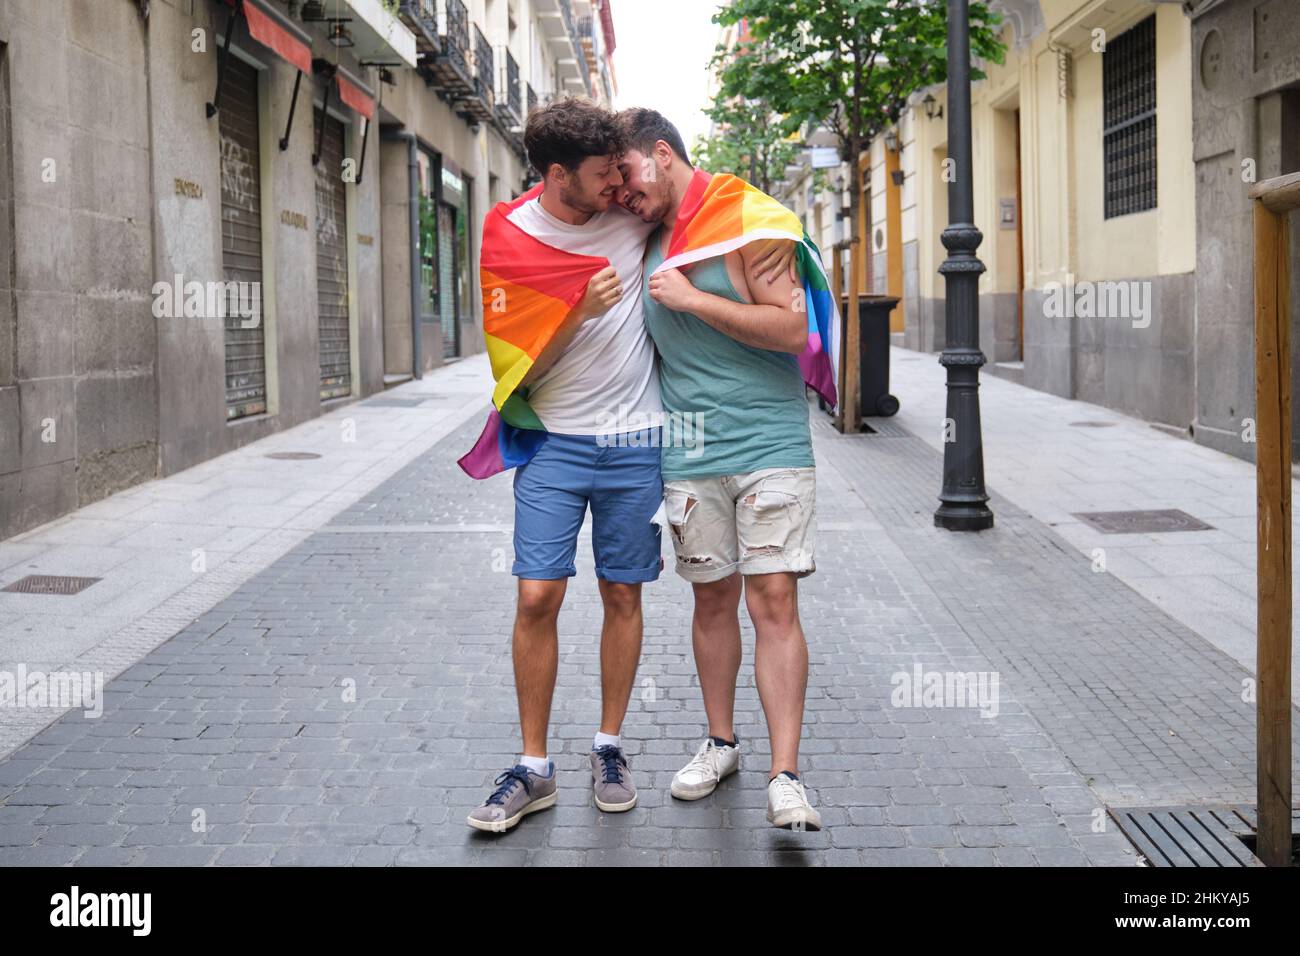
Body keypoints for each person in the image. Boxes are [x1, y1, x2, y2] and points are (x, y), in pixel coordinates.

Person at [614, 107, 823, 830]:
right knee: (710, 600)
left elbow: (794, 327)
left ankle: (786, 776)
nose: (622, 194)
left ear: (663, 154)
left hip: (768, 443)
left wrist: (696, 299)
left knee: (773, 601)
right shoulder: (639, 237)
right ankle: (720, 743)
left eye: (629, 176)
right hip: (690, 449)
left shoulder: (746, 220)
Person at [466, 99, 662, 832]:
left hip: (638, 439)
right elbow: (514, 372)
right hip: (554, 440)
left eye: (621, 167)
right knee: (537, 597)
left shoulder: (634, 217)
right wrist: (575, 308)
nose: (618, 182)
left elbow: (704, 205)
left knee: (622, 595)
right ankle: (533, 767)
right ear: (556, 175)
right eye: (603, 172)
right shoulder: (508, 236)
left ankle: (609, 747)